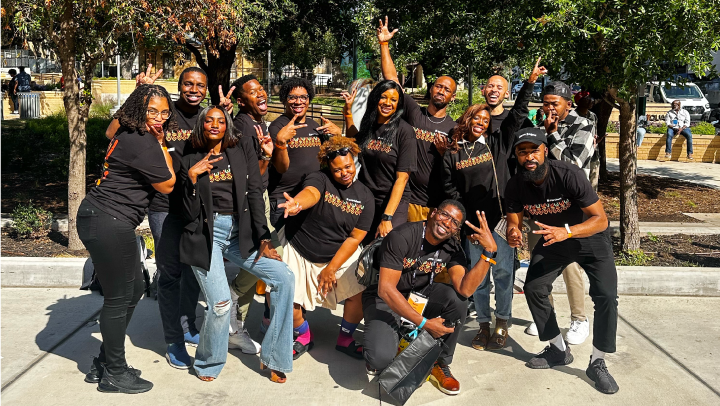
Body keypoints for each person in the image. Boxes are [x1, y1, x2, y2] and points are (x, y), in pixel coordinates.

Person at [104, 66, 220, 369]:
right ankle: (174, 340)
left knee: (194, 267)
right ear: (179, 86)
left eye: (200, 85)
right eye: (188, 84)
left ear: (206, 89)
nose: (194, 90)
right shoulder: (162, 113)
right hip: (164, 204)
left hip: (196, 205)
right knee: (170, 273)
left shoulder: (208, 117)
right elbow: (112, 132)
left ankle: (188, 324)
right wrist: (139, 95)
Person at [179, 105, 295, 383]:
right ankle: (208, 361)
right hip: (206, 238)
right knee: (219, 304)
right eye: (209, 121)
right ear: (201, 125)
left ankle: (275, 358)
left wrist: (264, 238)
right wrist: (192, 179)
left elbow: (255, 192)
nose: (215, 125)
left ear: (227, 125)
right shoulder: (190, 154)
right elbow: (186, 212)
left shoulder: (240, 149)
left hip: (238, 234)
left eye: (221, 120)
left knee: (284, 278)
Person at [77, 84, 177, 393]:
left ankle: (104, 364)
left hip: (103, 218)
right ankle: (115, 373)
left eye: (164, 112)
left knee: (134, 288)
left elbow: (110, 130)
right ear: (138, 111)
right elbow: (168, 185)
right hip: (109, 220)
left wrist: (139, 99)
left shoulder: (126, 132)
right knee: (119, 297)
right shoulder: (144, 142)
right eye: (151, 111)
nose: (159, 118)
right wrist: (162, 144)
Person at [505, 128, 619, 395]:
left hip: (587, 237)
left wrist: (566, 231)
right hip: (553, 240)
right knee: (533, 287)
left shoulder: (569, 175)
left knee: (605, 295)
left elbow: (600, 219)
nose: (529, 157)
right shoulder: (516, 184)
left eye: (534, 150)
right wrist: (513, 231)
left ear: (545, 150)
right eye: (523, 152)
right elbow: (514, 217)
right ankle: (557, 348)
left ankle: (598, 361)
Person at [363, 200, 497, 395]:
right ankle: (393, 340)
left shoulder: (452, 247)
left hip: (418, 295)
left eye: (454, 222)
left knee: (458, 300)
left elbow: (465, 289)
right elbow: (386, 289)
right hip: (385, 297)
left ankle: (439, 361)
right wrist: (425, 323)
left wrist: (488, 253)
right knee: (380, 360)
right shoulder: (402, 236)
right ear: (433, 213)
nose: (447, 223)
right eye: (445, 215)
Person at [276, 136, 375, 360]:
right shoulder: (319, 178)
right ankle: (303, 336)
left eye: (348, 166)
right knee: (284, 298)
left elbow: (355, 238)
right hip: (300, 249)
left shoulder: (366, 197)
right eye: (337, 169)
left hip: (337, 254)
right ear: (328, 168)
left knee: (360, 288)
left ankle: (345, 338)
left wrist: (332, 268)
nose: (344, 172)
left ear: (355, 161)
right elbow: (311, 193)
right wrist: (297, 204)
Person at [525, 81, 596, 345]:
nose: (549, 108)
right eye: (546, 103)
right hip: (542, 205)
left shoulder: (585, 125)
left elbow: (575, 165)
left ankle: (579, 320)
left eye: (554, 103)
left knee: (570, 265)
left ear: (569, 103)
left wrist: (552, 135)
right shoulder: (539, 125)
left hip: (572, 208)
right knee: (540, 261)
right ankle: (546, 315)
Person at [442, 104, 515, 351]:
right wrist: (465, 221)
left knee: (504, 275)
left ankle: (502, 322)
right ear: (467, 118)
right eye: (477, 117)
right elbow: (449, 186)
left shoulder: (494, 144)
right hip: (474, 226)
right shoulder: (453, 151)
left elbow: (516, 117)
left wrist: (528, 84)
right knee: (480, 279)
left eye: (485, 120)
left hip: (499, 222)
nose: (481, 122)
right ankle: (484, 325)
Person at [377, 16, 457, 221]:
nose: (441, 91)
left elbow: (456, 167)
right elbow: (392, 80)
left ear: (452, 97)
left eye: (447, 90)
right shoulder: (414, 112)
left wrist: (444, 153)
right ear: (431, 89)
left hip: (435, 204)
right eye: (438, 86)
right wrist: (384, 44)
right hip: (406, 198)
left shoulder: (454, 128)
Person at [226, 74, 275, 354]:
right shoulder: (245, 125)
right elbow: (248, 176)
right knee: (265, 256)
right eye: (252, 92)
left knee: (259, 259)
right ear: (241, 101)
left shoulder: (257, 121)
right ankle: (231, 298)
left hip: (262, 196)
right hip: (253, 200)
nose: (260, 94)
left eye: (261, 89)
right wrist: (266, 157)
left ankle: (234, 323)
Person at [342, 80, 417, 244]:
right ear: (376, 98)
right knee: (359, 244)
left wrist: (387, 216)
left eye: (393, 100)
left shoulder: (404, 131)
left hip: (392, 202)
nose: (387, 103)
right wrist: (348, 112)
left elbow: (402, 178)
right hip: (368, 198)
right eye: (384, 97)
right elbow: (355, 142)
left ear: (399, 104)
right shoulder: (369, 123)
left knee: (385, 246)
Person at [268, 77, 343, 232]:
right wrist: (281, 143)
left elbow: (330, 159)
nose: (298, 102)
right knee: (281, 251)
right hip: (286, 199)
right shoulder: (278, 127)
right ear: (284, 100)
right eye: (292, 97)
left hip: (312, 196)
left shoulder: (315, 126)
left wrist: (338, 136)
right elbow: (281, 168)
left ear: (309, 99)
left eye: (303, 97)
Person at [481, 58, 545, 188]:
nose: (494, 90)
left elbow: (519, 111)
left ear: (506, 94)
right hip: (479, 183)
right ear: (483, 90)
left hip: (508, 184)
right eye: (490, 86)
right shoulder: (474, 120)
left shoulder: (519, 122)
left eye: (499, 87)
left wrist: (531, 81)